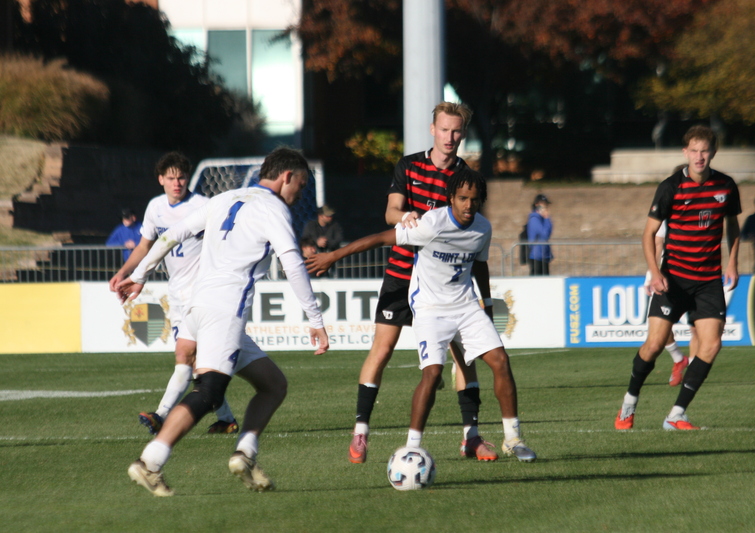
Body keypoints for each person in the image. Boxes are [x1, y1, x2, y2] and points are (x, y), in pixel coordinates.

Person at [118, 147, 329, 496]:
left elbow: (171, 235)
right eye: (301, 185)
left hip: (199, 306)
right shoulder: (273, 208)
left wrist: (140, 274)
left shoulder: (224, 198)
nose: (299, 193)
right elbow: (293, 264)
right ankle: (150, 462)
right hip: (225, 311)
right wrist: (316, 320)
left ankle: (245, 454)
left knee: (274, 384)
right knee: (210, 392)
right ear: (286, 176)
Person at [308, 171, 536, 462]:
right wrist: (332, 256)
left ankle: (513, 439)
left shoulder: (483, 228)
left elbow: (480, 264)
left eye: (475, 200)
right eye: (463, 198)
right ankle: (412, 445)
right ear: (451, 198)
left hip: (465, 306)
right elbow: (380, 238)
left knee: (500, 362)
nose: (468, 205)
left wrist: (487, 304)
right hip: (430, 310)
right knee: (432, 373)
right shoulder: (431, 224)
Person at [342, 102, 495, 465]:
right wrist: (405, 214)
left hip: (446, 284)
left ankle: (471, 436)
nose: (450, 138)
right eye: (444, 130)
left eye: (456, 132)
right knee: (382, 350)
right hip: (402, 272)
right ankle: (361, 431)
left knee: (465, 358)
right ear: (433, 130)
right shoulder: (408, 165)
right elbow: (390, 213)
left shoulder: (464, 178)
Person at [614, 125, 741, 431]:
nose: (700, 156)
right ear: (686, 152)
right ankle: (629, 403)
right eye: (694, 151)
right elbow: (647, 235)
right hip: (674, 278)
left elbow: (734, 227)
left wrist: (733, 263)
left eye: (705, 150)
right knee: (655, 345)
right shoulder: (671, 187)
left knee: (711, 345)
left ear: (713, 152)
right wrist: (655, 272)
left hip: (709, 280)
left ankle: (676, 415)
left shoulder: (726, 185)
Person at [108, 152, 238, 436]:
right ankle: (226, 419)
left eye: (181, 177)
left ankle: (160, 415)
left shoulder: (203, 206)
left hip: (204, 293)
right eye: (171, 178)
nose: (176, 182)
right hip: (177, 294)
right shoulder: (155, 208)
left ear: (187, 178)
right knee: (198, 366)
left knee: (186, 355)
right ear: (161, 180)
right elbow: (144, 246)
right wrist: (127, 272)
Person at [646, 220, 691, 387]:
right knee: (658, 327)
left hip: (698, 274)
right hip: (668, 276)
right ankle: (679, 359)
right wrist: (651, 275)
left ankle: (693, 369)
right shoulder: (665, 215)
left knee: (696, 325)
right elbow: (658, 244)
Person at [526, 194, 553, 275]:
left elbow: (548, 232)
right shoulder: (534, 219)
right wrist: (547, 218)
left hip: (543, 255)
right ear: (537, 204)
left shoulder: (542, 219)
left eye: (546, 204)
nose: (546, 206)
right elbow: (545, 234)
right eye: (543, 204)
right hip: (536, 256)